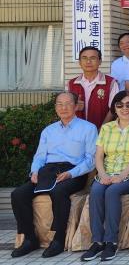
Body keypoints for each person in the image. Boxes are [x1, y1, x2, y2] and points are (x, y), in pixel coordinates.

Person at [11, 92, 98, 258]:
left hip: (74, 172)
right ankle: (29, 238)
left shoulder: (88, 128)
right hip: (47, 171)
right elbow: (39, 156)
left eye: (67, 103)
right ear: (55, 107)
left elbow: (90, 160)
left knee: (58, 192)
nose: (63, 108)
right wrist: (35, 171)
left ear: (76, 106)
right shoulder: (48, 131)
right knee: (18, 194)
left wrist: (71, 174)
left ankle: (58, 239)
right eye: (59, 104)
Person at [81, 91, 129, 261]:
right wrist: (103, 174)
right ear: (114, 108)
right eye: (119, 105)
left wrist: (122, 176)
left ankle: (111, 242)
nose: (124, 108)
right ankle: (97, 242)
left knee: (112, 192)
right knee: (96, 192)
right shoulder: (106, 128)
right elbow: (98, 156)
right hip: (107, 172)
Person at [67, 46, 119, 129]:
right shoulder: (72, 83)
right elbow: (66, 108)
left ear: (100, 61)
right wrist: (74, 106)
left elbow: (113, 109)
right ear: (80, 62)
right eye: (84, 58)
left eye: (93, 58)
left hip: (103, 132)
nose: (88, 61)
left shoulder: (111, 83)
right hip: (78, 131)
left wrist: (102, 128)